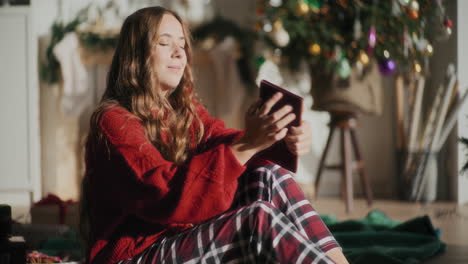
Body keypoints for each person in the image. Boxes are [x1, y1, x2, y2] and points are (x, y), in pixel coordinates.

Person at [80, 6, 349, 264]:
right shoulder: (112, 121)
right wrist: (247, 144)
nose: (178, 53)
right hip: (133, 257)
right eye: (164, 43)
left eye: (182, 44)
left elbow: (223, 141)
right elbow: (164, 194)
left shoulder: (183, 112)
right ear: (136, 54)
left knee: (268, 173)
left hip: (175, 239)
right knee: (255, 218)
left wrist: (278, 138)